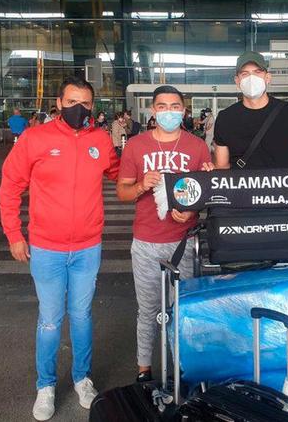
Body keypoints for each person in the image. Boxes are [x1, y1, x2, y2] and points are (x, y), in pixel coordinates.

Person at [0, 77, 120, 421]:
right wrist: (14, 234)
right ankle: (46, 386)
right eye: (71, 102)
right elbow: (10, 187)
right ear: (59, 102)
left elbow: (117, 173)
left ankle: (82, 379)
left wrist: (153, 174)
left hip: (87, 247)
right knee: (50, 321)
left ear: (92, 106)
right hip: (47, 248)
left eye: (85, 102)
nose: (78, 108)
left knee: (81, 316)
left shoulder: (99, 139)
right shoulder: (35, 139)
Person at [116, 85, 213, 384]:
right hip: (145, 242)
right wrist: (143, 184)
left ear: (183, 111)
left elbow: (204, 196)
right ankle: (144, 369)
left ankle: (182, 368)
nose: (168, 111)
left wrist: (194, 207)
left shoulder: (197, 147)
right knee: (148, 309)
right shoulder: (135, 145)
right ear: (153, 110)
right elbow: (122, 192)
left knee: (183, 309)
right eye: (162, 106)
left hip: (183, 242)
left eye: (175, 106)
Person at [213, 51, 288, 169]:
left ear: (268, 77)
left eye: (257, 72)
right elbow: (221, 167)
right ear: (237, 81)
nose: (252, 78)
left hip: (282, 187)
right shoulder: (225, 119)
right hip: (241, 187)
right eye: (245, 74)